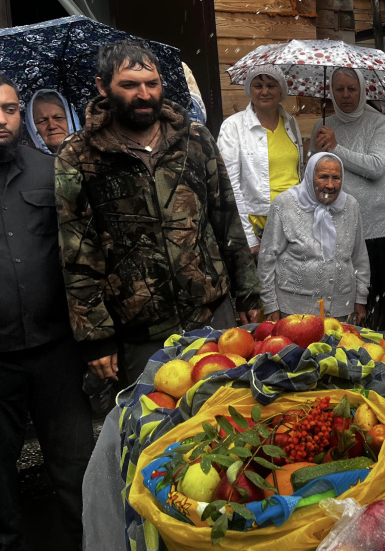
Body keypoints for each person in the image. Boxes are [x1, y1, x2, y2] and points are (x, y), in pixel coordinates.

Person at [55, 40, 262, 386]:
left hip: (213, 316)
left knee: (227, 418)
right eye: (130, 85)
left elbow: (226, 219)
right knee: (157, 430)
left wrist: (248, 293)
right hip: (141, 332)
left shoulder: (195, 139)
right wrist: (96, 337)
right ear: (103, 87)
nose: (144, 94)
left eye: (152, 84)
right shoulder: (78, 154)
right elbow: (77, 250)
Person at [0, 69, 94, 550]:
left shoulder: (48, 170)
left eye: (11, 110)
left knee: (77, 468)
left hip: (56, 351)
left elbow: (83, 251)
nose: (1, 119)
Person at [310, 67, 385, 330]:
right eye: (339, 89)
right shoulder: (322, 125)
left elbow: (377, 166)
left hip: (378, 224)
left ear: (363, 90)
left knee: (381, 298)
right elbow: (312, 172)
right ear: (331, 91)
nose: (345, 95)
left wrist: (336, 147)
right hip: (336, 222)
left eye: (352, 89)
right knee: (342, 293)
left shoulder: (379, 122)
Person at [258, 152, 369, 322]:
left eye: (336, 178)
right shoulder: (284, 204)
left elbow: (359, 257)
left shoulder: (350, 206)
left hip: (341, 309)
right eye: (323, 177)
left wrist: (361, 298)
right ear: (310, 176)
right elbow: (267, 259)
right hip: (294, 312)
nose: (330, 185)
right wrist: (270, 304)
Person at [217, 64, 303, 257]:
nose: (264, 91)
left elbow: (298, 173)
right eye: (258, 85)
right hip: (260, 223)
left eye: (271, 85)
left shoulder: (291, 123)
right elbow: (230, 184)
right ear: (249, 90)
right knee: (264, 284)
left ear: (281, 90)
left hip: (296, 218)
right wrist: (248, 236)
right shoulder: (233, 126)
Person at [25, 88, 80, 154]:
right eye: (42, 121)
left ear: (72, 120)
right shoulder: (28, 163)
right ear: (32, 128)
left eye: (58, 117)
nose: (52, 126)